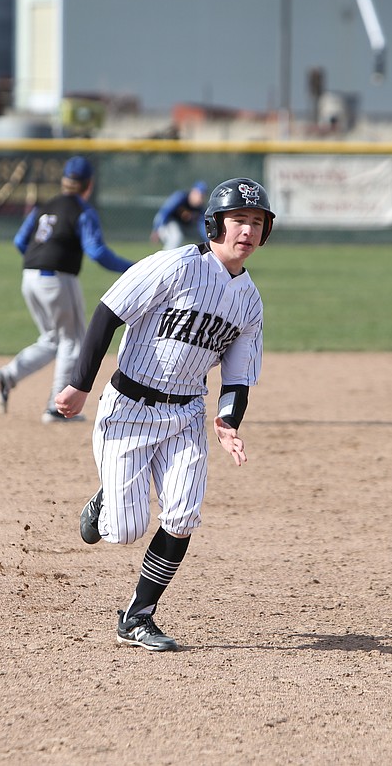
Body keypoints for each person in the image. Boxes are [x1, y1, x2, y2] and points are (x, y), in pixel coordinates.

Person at [54, 177, 274, 651]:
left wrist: (228, 422)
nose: (247, 231)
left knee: (183, 515)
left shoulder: (249, 301)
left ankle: (138, 615)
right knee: (125, 529)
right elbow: (108, 313)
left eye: (257, 223)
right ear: (215, 223)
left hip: (186, 417)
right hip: (129, 407)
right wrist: (79, 384)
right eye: (239, 220)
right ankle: (104, 501)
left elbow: (238, 374)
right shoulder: (174, 267)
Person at [0, 156, 134, 424]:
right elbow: (96, 251)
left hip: (29, 277)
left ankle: (7, 377)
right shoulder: (82, 210)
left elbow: (20, 241)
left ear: (64, 181)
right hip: (57, 279)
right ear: (88, 185)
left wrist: (40, 258)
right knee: (73, 340)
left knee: (53, 339)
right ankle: (56, 408)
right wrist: (134, 268)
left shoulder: (44, 205)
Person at [150, 180, 208, 250]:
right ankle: (167, 258)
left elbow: (202, 227)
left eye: (203, 196)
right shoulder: (181, 197)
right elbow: (164, 212)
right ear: (193, 192)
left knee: (201, 237)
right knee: (177, 237)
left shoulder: (200, 208)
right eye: (200, 195)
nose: (201, 198)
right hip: (166, 224)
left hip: (183, 227)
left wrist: (209, 241)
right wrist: (156, 229)